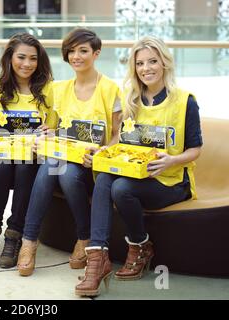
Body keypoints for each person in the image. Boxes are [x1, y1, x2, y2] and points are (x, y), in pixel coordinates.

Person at [75, 36, 203, 297]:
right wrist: (104, 152)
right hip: (137, 174)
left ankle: (141, 246)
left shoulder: (185, 101)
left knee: (121, 188)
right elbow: (122, 144)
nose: (147, 68)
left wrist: (171, 160)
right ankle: (97, 259)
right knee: (105, 178)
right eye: (140, 63)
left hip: (172, 180)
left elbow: (195, 150)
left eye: (153, 61)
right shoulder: (131, 100)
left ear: (165, 63)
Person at [17, 28, 122, 276]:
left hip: (93, 165)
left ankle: (79, 237)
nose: (76, 56)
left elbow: (118, 133)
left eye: (83, 50)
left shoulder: (111, 89)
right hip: (65, 160)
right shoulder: (59, 89)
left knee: (60, 168)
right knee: (57, 166)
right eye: (71, 51)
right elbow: (52, 127)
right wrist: (46, 135)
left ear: (96, 54)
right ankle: (30, 241)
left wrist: (102, 151)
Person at [0, 33, 57, 269]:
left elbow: (54, 126)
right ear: (10, 58)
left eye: (33, 59)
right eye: (21, 57)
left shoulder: (49, 90)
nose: (27, 64)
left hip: (34, 156)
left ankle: (14, 233)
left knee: (25, 168)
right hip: (4, 154)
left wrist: (50, 131)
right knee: (2, 169)